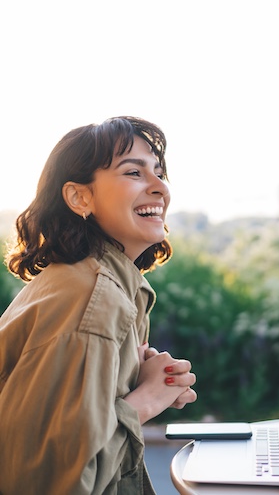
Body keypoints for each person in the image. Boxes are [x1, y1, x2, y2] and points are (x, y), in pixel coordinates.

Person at [0, 116, 197, 494]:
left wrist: (130, 381)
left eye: (159, 173)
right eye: (133, 173)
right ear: (80, 197)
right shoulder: (93, 299)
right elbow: (54, 483)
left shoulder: (87, 281)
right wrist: (146, 400)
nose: (160, 188)